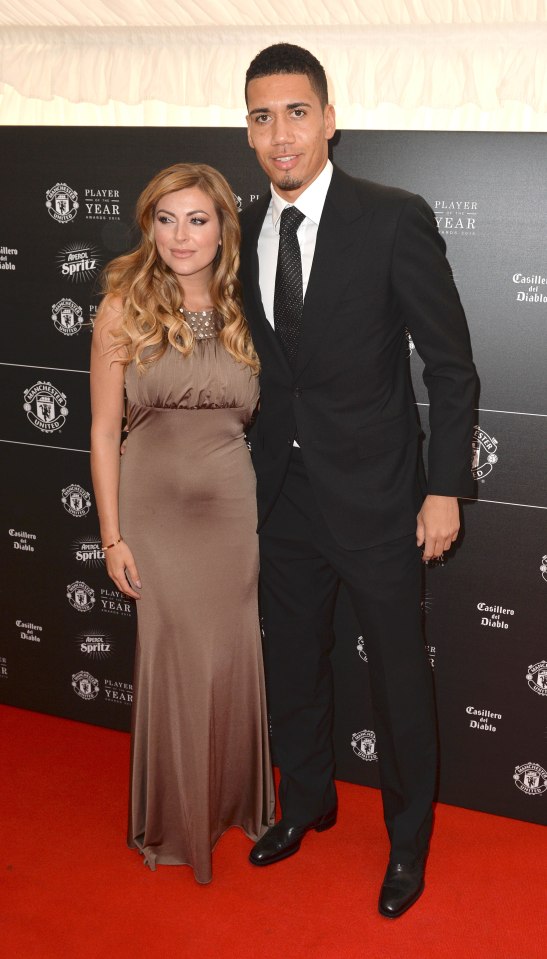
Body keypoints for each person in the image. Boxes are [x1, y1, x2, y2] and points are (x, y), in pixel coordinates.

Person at [239, 44, 479, 917]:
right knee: (294, 665)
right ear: (249, 131)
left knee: (397, 684)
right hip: (283, 498)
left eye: (295, 112)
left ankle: (407, 844)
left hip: (380, 499)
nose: (280, 133)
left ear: (329, 119)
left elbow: (451, 368)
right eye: (261, 117)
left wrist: (443, 486)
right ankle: (306, 800)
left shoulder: (391, 217)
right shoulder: (238, 227)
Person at [90, 162, 274, 884]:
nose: (180, 235)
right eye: (165, 219)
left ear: (222, 226)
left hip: (231, 505)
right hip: (153, 510)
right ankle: (172, 819)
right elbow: (106, 431)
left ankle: (231, 802)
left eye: (196, 219)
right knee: (171, 658)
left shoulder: (249, 305)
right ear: (149, 226)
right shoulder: (122, 305)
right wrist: (112, 535)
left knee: (230, 655)